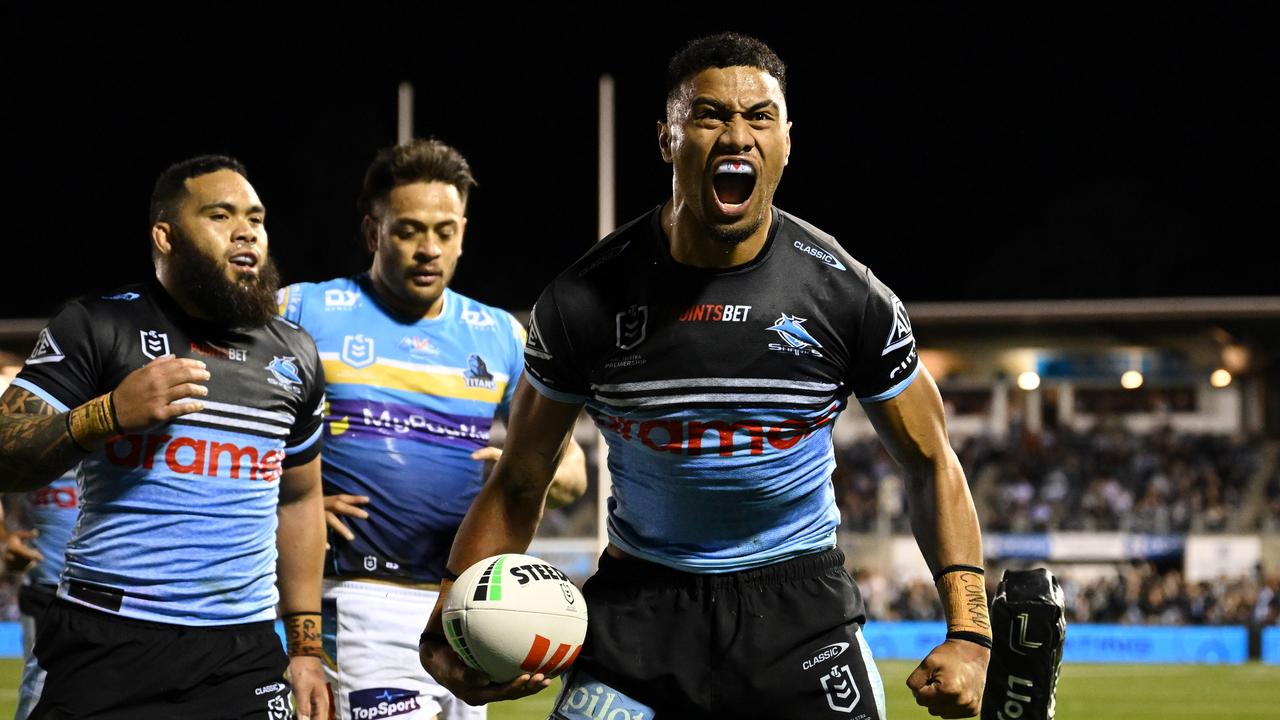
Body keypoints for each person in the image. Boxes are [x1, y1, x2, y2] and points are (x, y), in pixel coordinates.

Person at [419, 33, 991, 719]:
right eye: (710, 115)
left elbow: (930, 460)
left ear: (786, 141)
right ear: (666, 138)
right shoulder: (580, 302)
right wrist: (443, 622)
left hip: (798, 612)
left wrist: (972, 634)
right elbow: (519, 478)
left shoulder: (848, 297)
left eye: (760, 117)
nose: (738, 135)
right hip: (639, 614)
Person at [0, 155, 330, 720]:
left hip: (242, 652)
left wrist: (304, 649)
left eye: (256, 217)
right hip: (106, 642)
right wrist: (107, 414)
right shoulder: (98, 324)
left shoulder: (293, 353)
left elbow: (299, 501)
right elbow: (6, 454)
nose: (247, 230)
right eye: (221, 215)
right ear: (166, 236)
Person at [278, 138, 586, 720]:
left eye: (445, 231)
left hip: (467, 611)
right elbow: (231, 420)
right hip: (357, 598)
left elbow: (571, 470)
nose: (429, 249)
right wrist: (285, 502)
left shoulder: (499, 335)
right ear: (373, 233)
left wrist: (536, 474)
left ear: (463, 233)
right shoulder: (303, 311)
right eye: (409, 231)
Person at [3, 472, 77, 720]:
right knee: (40, 678)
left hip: (96, 588)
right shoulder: (35, 456)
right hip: (43, 589)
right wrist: (5, 538)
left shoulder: (103, 459)